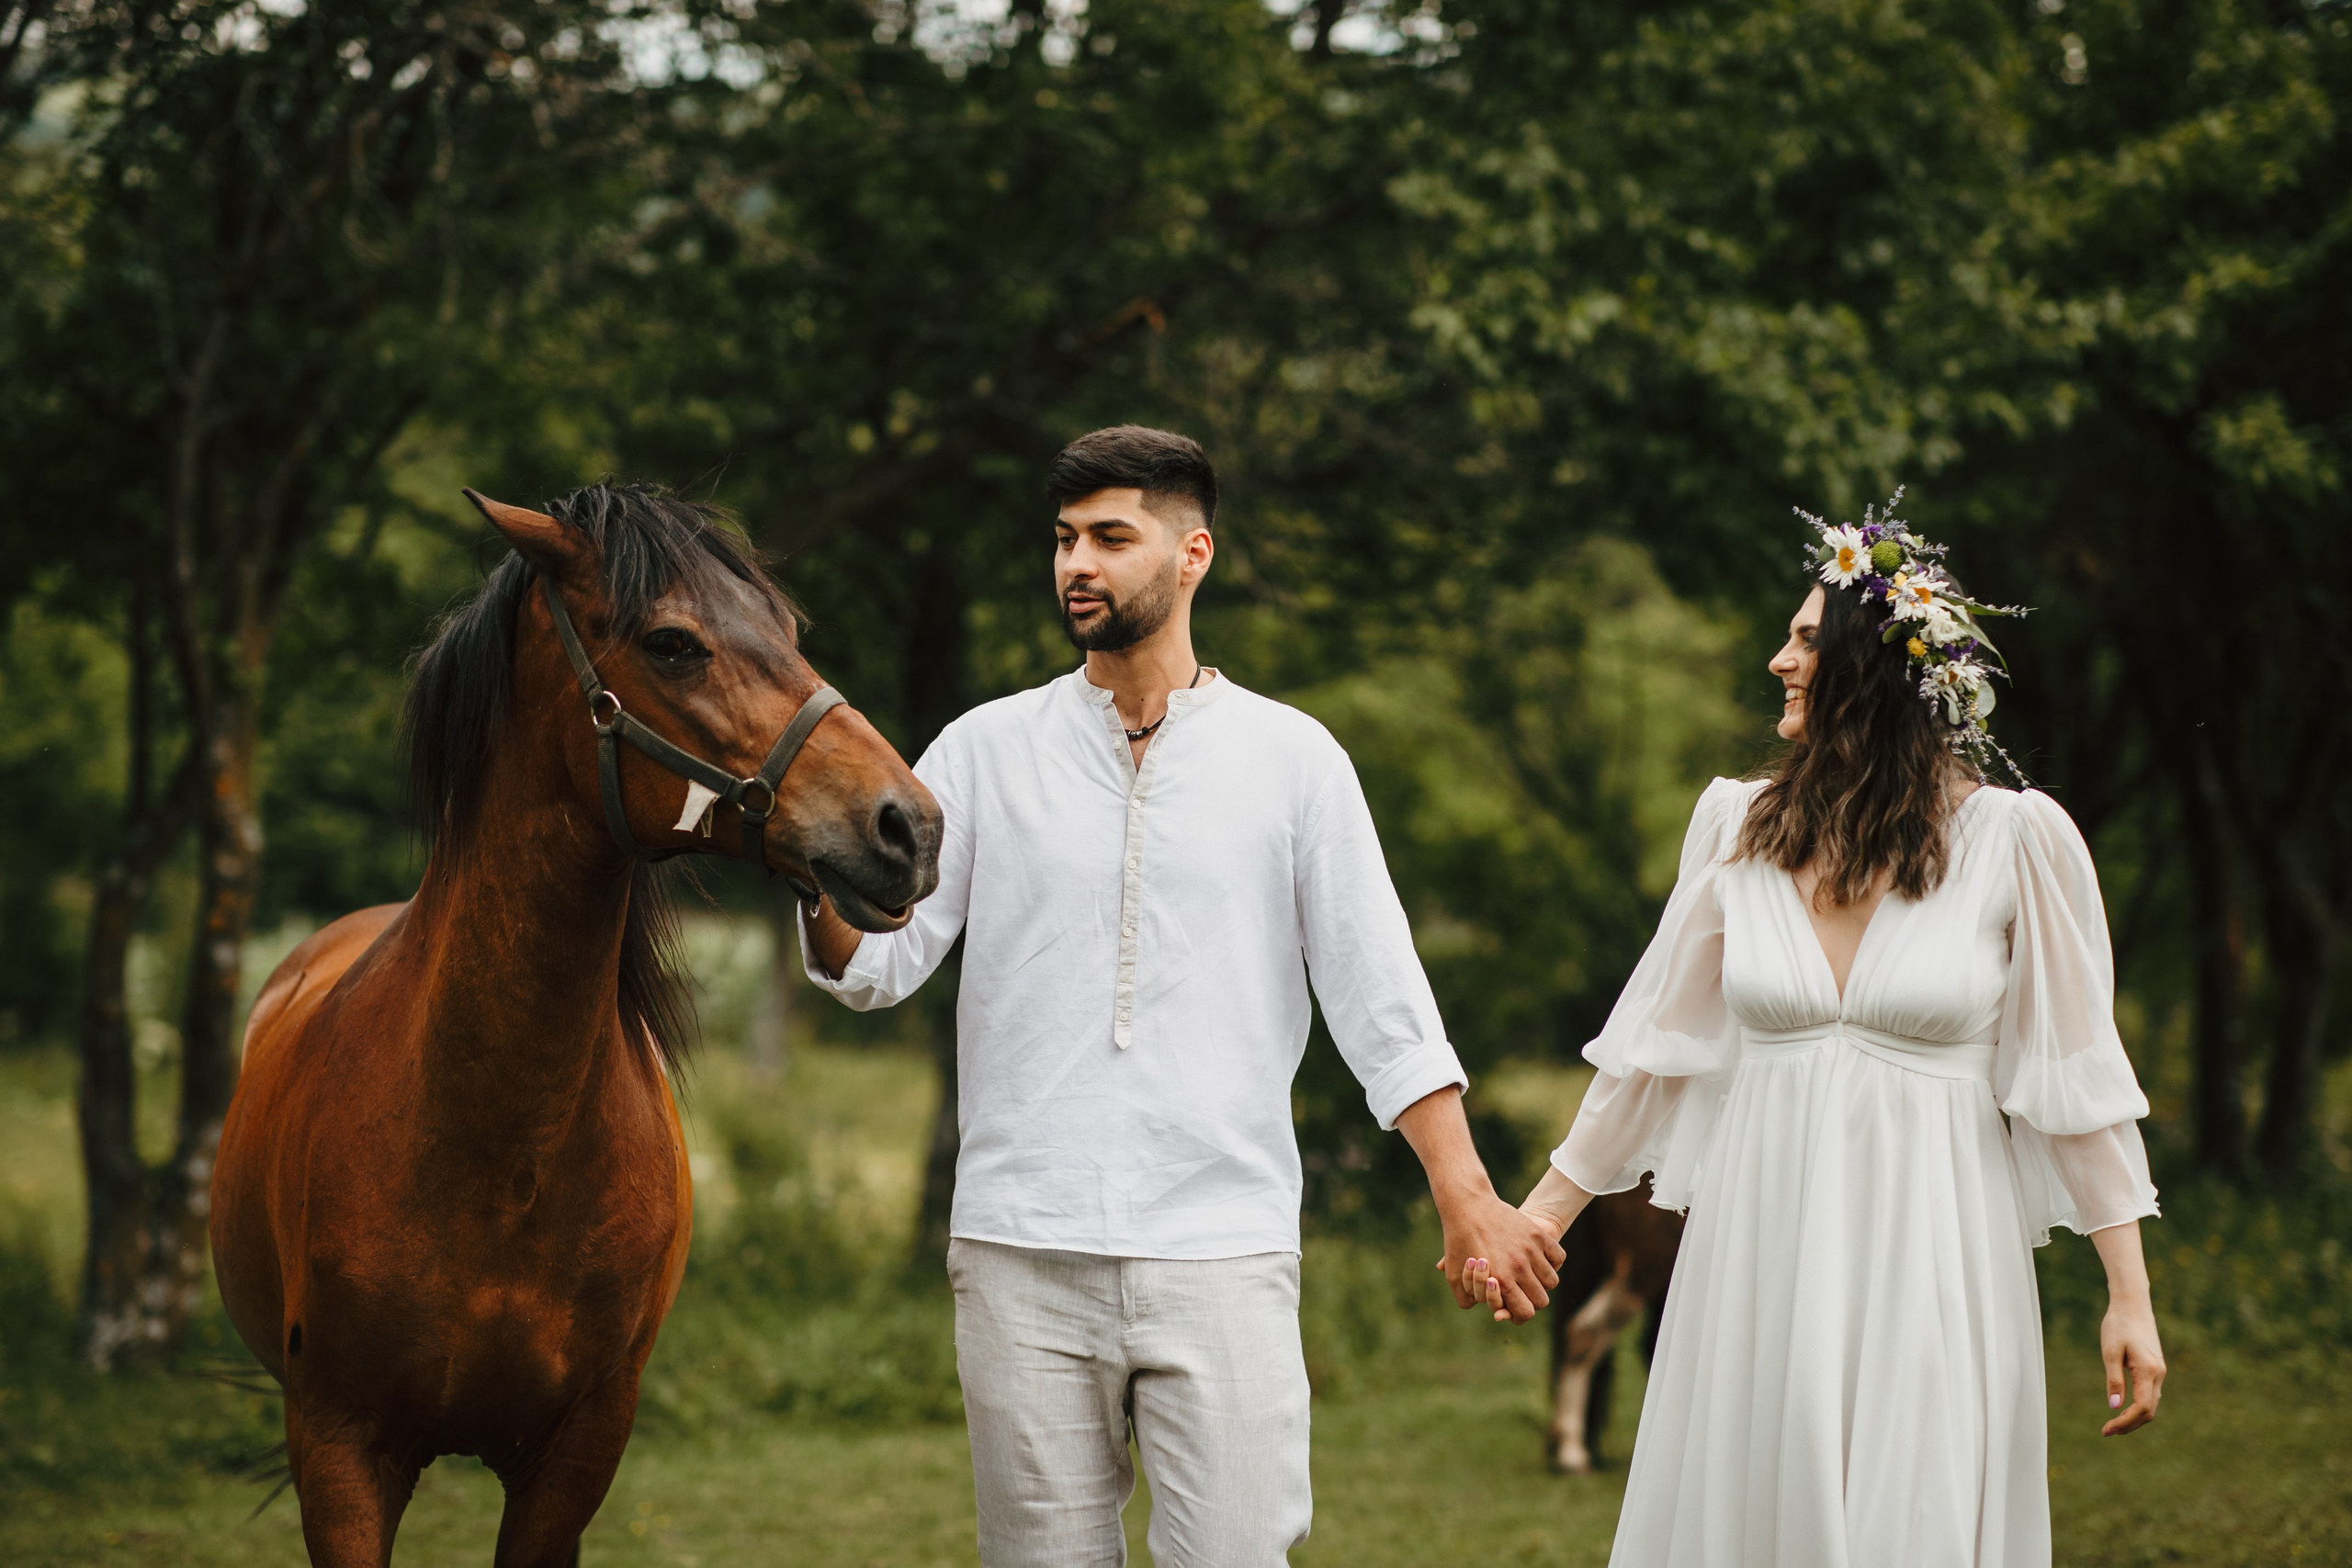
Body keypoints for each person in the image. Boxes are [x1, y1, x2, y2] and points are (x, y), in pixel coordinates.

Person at [797, 425, 1562, 1567]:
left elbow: (1379, 995)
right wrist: (811, 864)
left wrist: (1466, 1197)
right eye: (1063, 541)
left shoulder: (1293, 758)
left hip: (1223, 1243)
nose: (1076, 566)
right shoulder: (981, 750)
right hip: (1020, 1245)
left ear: (1192, 552)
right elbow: (879, 964)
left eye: (1111, 537)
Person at [1471, 503, 2166, 1567]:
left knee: (1914, 1506)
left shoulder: (2014, 841)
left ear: (1873, 672)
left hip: (1934, 1237)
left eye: (1804, 639)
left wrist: (2129, 1295)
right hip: (1761, 1235)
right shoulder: (1735, 828)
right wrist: (1541, 1217)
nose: (1777, 658)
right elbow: (1654, 1051)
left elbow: (2070, 1075)